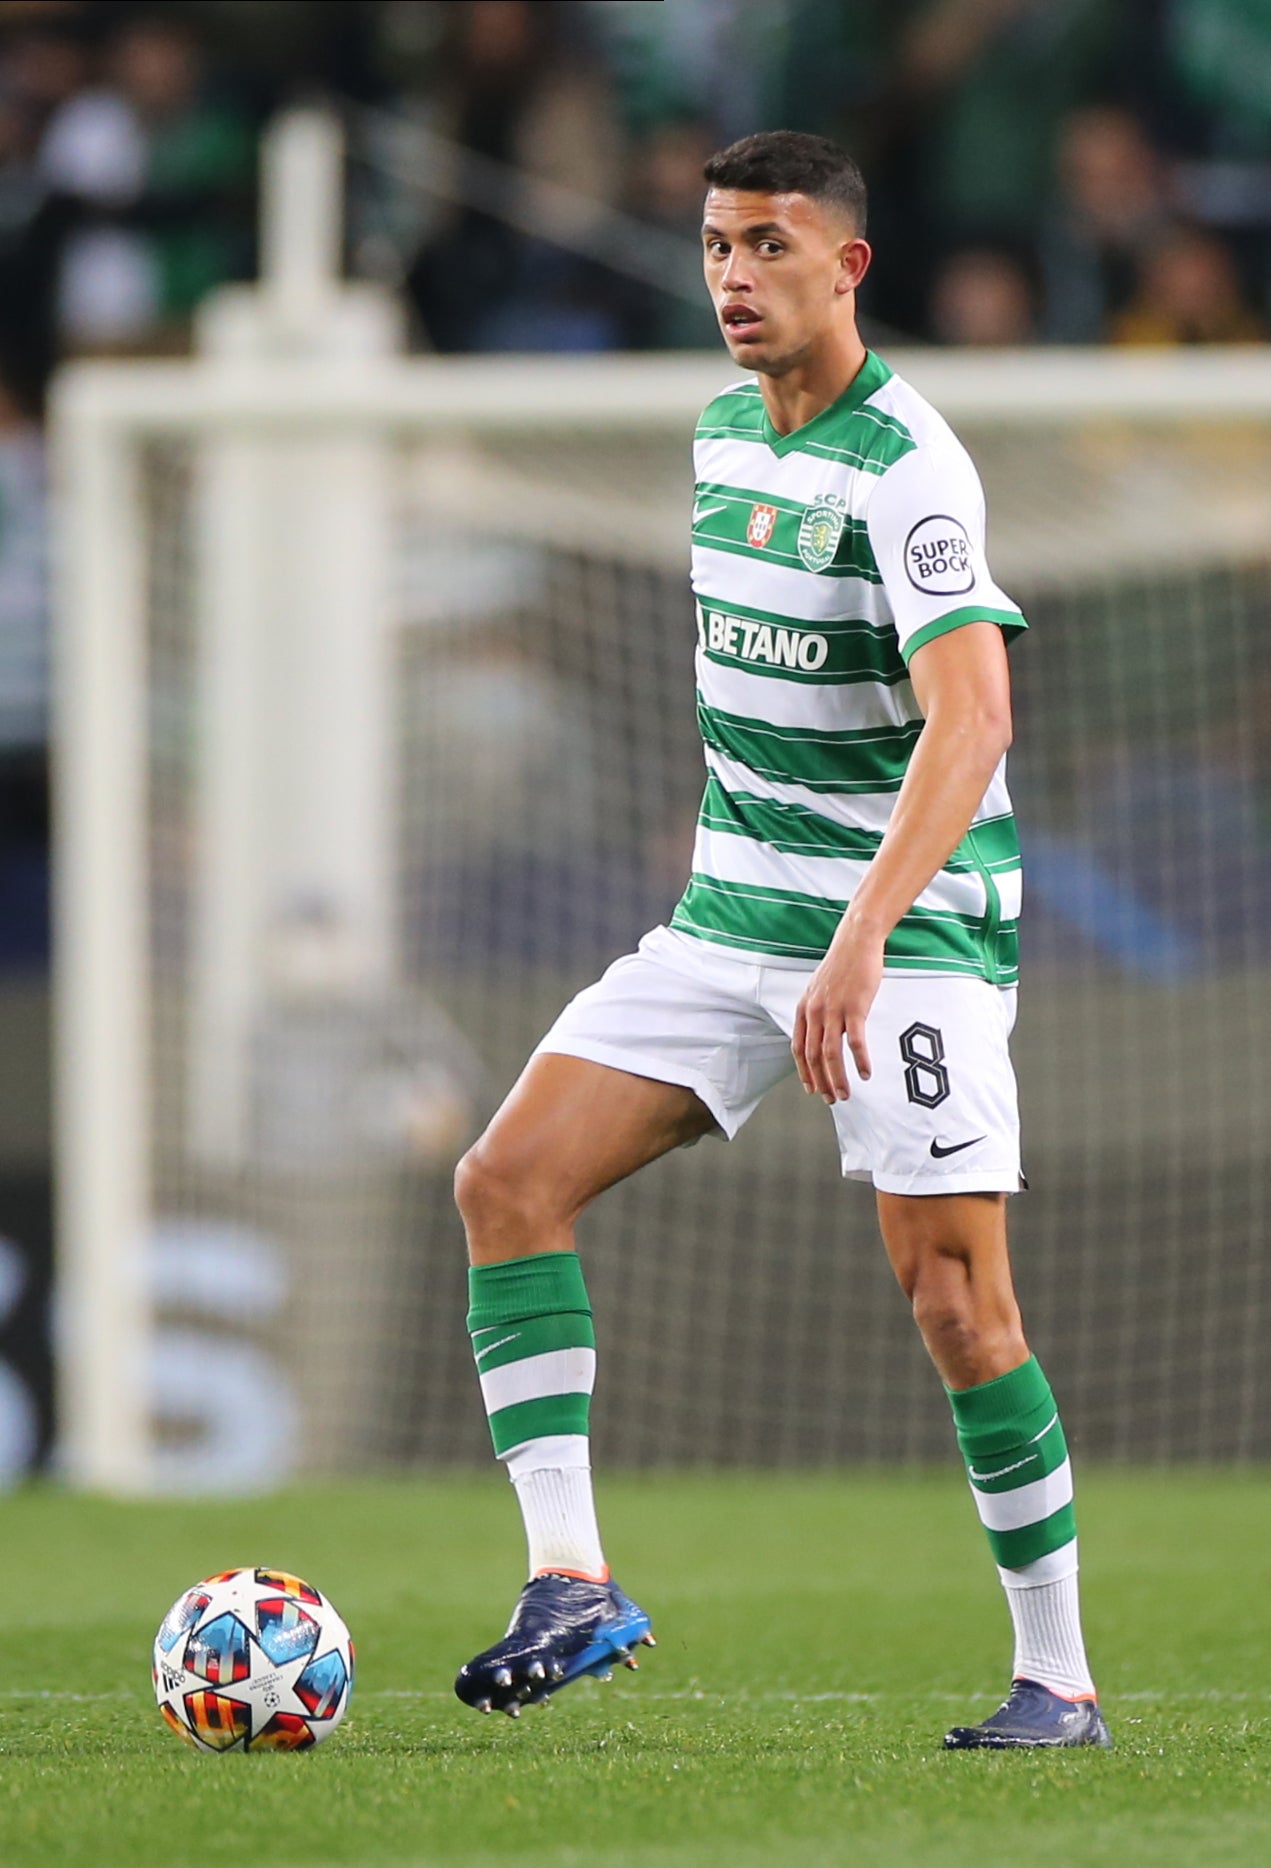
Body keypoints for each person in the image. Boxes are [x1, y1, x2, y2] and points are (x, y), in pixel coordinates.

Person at [451, 129, 1110, 1752]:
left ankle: (1061, 1678)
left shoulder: (913, 470)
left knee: (958, 1305)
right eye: (716, 246)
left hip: (909, 934)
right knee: (505, 1182)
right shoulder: (715, 437)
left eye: (767, 246)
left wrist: (863, 941)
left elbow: (975, 721)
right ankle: (573, 1584)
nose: (735, 277)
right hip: (728, 918)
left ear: (848, 266)